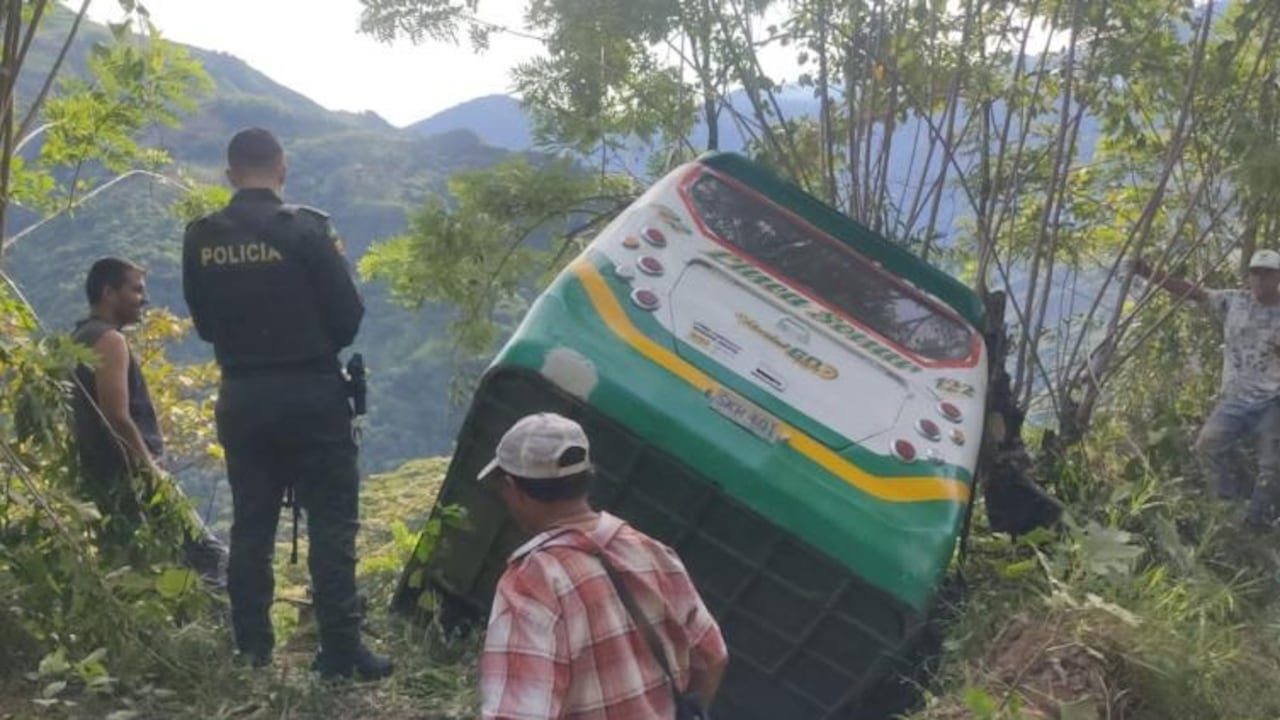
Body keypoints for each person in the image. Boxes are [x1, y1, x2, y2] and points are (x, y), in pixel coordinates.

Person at [181, 127, 391, 679]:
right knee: (330, 521)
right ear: (282, 168)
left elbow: (203, 324)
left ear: (230, 175)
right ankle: (341, 653)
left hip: (243, 395)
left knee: (251, 525)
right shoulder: (307, 229)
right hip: (312, 393)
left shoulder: (200, 237)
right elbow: (348, 317)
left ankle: (252, 652)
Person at [477, 412, 729, 719]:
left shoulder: (533, 583)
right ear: (585, 477)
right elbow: (713, 656)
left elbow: (516, 714)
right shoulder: (650, 551)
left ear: (513, 488)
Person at [69, 257, 228, 583]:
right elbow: (115, 414)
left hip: (99, 474)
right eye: (136, 290)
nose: (145, 299)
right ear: (108, 292)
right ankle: (217, 630)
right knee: (208, 556)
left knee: (135, 564)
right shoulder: (109, 340)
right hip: (134, 475)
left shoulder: (79, 337)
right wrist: (151, 470)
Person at [1133, 249, 1280, 527]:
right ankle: (1227, 507)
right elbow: (1193, 292)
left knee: (1272, 466)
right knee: (1207, 445)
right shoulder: (1234, 301)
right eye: (1256, 273)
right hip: (1236, 398)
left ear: (1278, 277)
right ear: (1249, 276)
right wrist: (1150, 274)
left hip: (1273, 400)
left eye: (1268, 274)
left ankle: (1258, 521)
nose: (1260, 280)